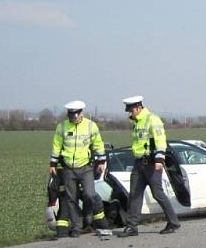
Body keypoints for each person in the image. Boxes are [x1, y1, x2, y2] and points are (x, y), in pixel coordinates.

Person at [120, 95, 180, 236]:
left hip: (152, 164)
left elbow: (160, 140)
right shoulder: (136, 122)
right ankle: (132, 226)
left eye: (131, 110)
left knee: (158, 194)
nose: (129, 113)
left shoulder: (152, 119)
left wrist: (159, 159)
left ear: (138, 107)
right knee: (134, 194)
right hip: (139, 163)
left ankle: (173, 222)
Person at [49, 100, 107, 237]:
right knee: (71, 199)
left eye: (75, 115)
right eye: (70, 115)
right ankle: (76, 227)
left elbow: (98, 144)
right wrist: (53, 164)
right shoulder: (62, 127)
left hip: (85, 166)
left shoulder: (90, 126)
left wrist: (101, 161)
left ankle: (88, 215)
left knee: (89, 194)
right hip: (68, 168)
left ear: (81, 113)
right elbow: (56, 146)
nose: (73, 118)